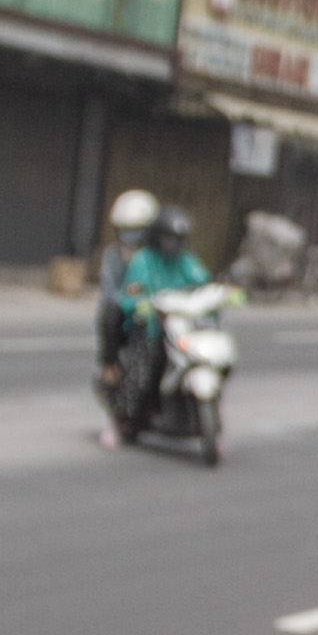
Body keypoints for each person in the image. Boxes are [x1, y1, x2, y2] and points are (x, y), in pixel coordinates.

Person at [95, 189, 212, 448]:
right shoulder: (133, 260)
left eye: (137, 231)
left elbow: (200, 279)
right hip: (137, 323)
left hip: (175, 322)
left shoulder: (174, 257)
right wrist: (138, 303)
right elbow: (121, 295)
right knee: (137, 353)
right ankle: (116, 414)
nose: (131, 239)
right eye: (125, 231)